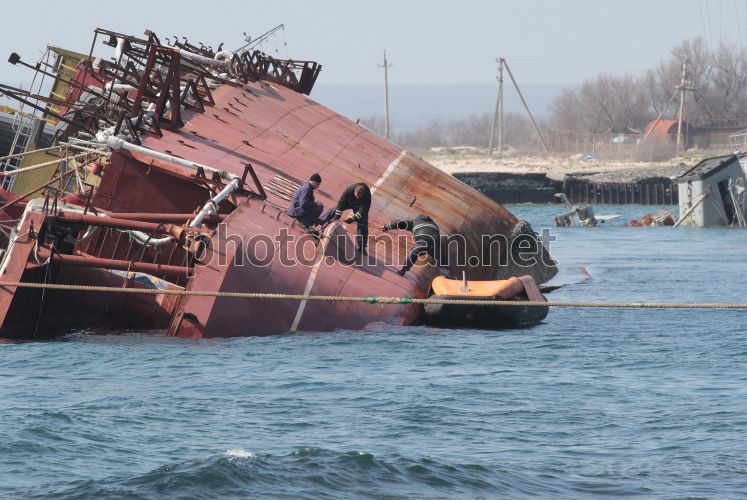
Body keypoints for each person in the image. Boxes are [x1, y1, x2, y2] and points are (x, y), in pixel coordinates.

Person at [381, 214, 450, 277]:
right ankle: (449, 274)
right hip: (436, 243)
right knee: (441, 260)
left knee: (413, 254)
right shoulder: (434, 225)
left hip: (423, 241)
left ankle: (403, 271)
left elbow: (399, 223)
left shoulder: (414, 222)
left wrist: (386, 226)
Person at [319, 183, 371, 254]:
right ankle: (320, 221)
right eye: (357, 196)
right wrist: (337, 217)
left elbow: (363, 210)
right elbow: (341, 203)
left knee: (363, 224)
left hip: (359, 206)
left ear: (363, 194)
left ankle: (362, 246)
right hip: (349, 202)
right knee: (334, 210)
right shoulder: (349, 190)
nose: (358, 198)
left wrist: (353, 218)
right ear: (354, 191)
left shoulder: (367, 196)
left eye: (359, 197)